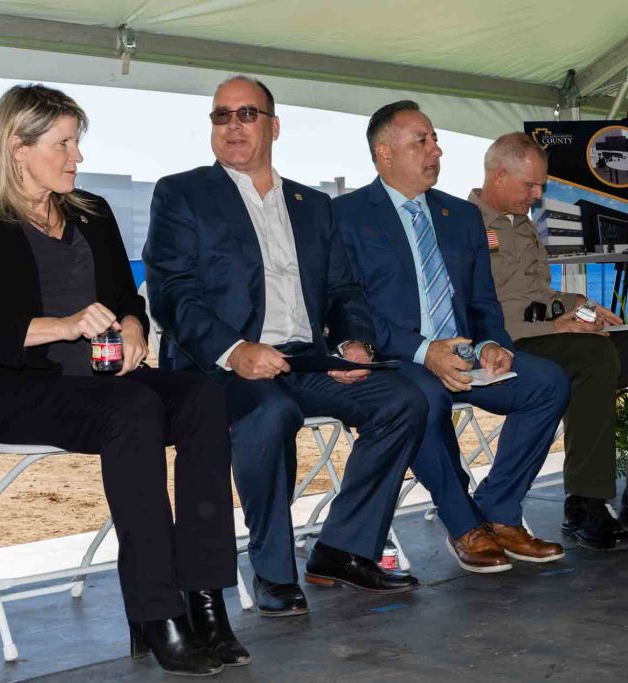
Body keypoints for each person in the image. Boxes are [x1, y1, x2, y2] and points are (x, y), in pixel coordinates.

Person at [0, 84, 247, 677]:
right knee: (133, 410)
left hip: (103, 384)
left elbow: (129, 300)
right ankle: (157, 611)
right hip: (12, 389)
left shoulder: (91, 212)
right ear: (18, 146)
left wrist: (132, 327)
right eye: (64, 143)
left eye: (78, 143)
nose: (77, 157)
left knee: (202, 394)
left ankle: (205, 599)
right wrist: (62, 325)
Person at [145, 76, 427, 617]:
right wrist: (234, 349)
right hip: (220, 368)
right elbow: (171, 294)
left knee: (402, 402)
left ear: (274, 127)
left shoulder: (313, 204)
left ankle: (344, 547)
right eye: (221, 116)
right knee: (269, 414)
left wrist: (353, 341)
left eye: (246, 114)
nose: (232, 126)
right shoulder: (183, 193)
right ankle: (273, 568)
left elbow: (343, 290)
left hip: (305, 357)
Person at [334, 101, 570, 574]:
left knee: (548, 382)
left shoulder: (460, 216)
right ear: (383, 153)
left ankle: (500, 512)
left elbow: (483, 301)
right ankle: (463, 522)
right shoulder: (344, 215)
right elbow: (347, 305)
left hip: (466, 353)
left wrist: (491, 345)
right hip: (398, 358)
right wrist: (425, 351)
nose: (436, 150)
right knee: (420, 396)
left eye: (435, 139)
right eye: (421, 141)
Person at [468, 132, 628, 551]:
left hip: (553, 335)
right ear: (498, 175)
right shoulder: (462, 224)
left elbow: (538, 296)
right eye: (530, 185)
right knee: (593, 354)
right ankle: (585, 502)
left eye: (541, 185)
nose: (538, 193)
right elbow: (476, 307)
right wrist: (555, 327)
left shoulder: (522, 223)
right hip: (507, 347)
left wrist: (580, 305)